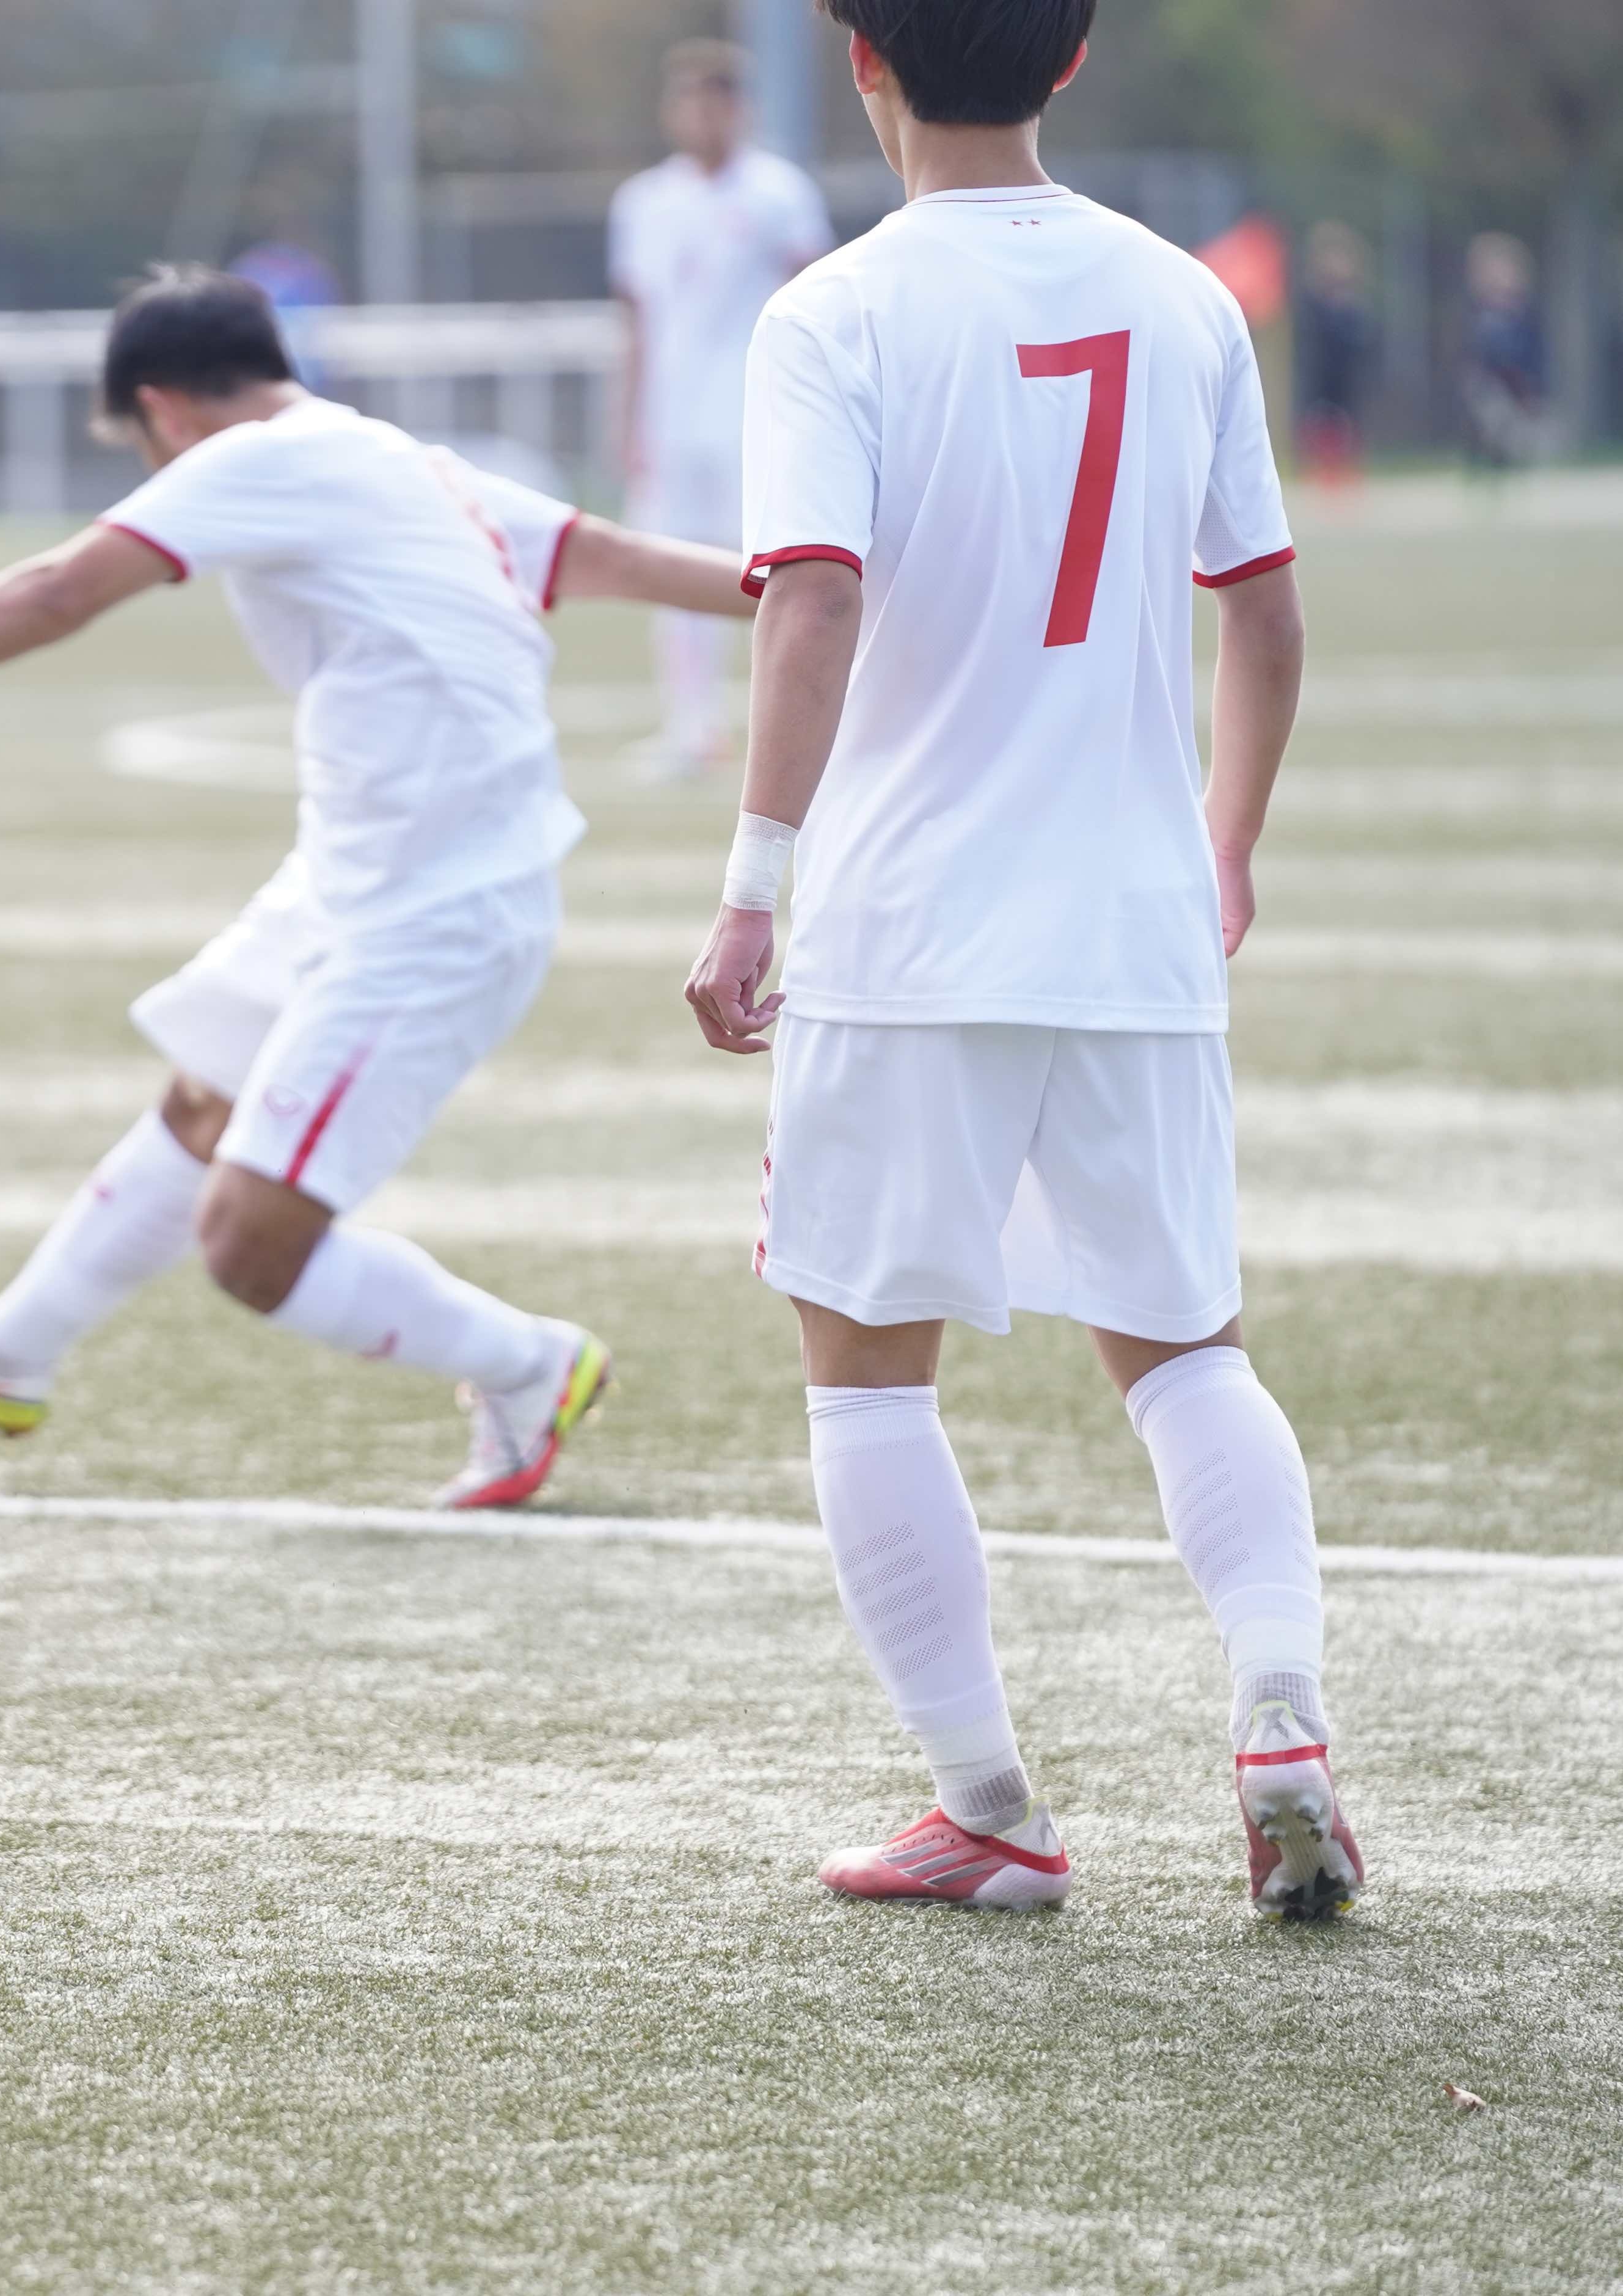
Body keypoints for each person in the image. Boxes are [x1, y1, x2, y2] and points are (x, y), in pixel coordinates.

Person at [685, 0, 1349, 1915]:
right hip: (1132, 920)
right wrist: (1222, 845)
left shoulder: (829, 311)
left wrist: (749, 883)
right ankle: (1282, 1715)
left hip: (907, 926)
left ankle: (986, 1806)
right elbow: (1265, 618)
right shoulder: (1183, 298)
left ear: (858, 62)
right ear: (1068, 63)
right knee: (1184, 1347)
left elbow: (810, 599)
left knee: (863, 1372)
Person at [0, 268, 759, 1509]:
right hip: (355, 877)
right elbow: (611, 555)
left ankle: (531, 1362)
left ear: (161, 409)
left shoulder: (260, 457)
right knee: (203, 1099)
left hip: (436, 910)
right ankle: (9, 1350)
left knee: (249, 1243)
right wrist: (839, 590)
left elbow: (59, 588)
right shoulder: (402, 463)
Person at [607, 40, 833, 781]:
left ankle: (792, 726)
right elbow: (637, 321)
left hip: (754, 410)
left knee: (773, 569)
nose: (704, 117)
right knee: (670, 568)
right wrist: (628, 420)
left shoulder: (779, 193)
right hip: (672, 418)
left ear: (741, 109)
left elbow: (814, 301)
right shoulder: (645, 201)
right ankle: (692, 727)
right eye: (691, 102)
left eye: (718, 101)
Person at [1291, 220, 1374, 485]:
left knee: (1348, 434)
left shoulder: (1355, 308)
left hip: (1348, 386)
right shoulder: (1311, 306)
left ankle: (1346, 477)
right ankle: (1322, 477)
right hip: (1320, 385)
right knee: (1321, 433)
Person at [1462, 230, 1547, 472]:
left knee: (1516, 431)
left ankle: (1509, 462)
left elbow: (1533, 351)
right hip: (1489, 384)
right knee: (1493, 420)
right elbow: (1473, 353)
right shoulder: (1477, 312)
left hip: (1518, 382)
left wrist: (1534, 385)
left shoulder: (1525, 313)